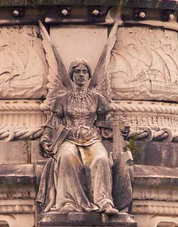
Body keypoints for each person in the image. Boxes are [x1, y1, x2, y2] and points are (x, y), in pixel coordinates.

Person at [37, 60, 118, 215]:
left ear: (88, 76)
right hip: (69, 139)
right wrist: (45, 139)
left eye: (84, 72)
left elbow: (105, 122)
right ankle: (68, 201)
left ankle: (104, 201)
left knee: (101, 158)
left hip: (92, 138)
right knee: (67, 156)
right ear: (72, 75)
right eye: (77, 71)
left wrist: (119, 130)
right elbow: (53, 122)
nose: (81, 75)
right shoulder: (62, 99)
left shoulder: (97, 99)